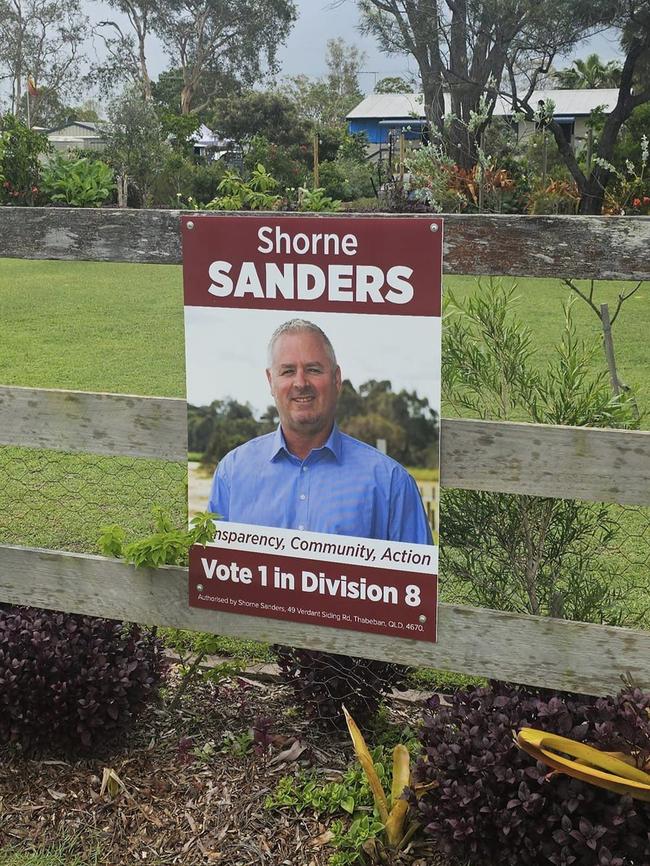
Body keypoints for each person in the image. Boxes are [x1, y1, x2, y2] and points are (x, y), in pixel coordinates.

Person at [208, 319, 433, 545]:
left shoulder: (392, 483)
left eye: (313, 370)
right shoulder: (231, 475)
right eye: (287, 371)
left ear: (336, 379)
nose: (300, 383)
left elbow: (417, 580)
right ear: (270, 381)